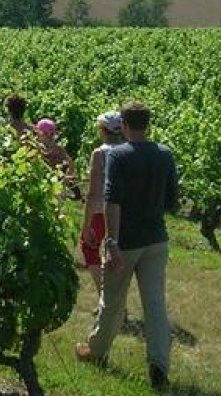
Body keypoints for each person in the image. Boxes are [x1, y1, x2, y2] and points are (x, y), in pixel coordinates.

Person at [75, 102, 177, 390]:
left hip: (127, 240)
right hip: (156, 238)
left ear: (125, 125)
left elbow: (112, 201)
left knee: (112, 301)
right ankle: (158, 365)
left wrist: (112, 241)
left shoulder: (118, 156)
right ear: (148, 124)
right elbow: (171, 200)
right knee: (155, 304)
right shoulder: (165, 154)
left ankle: (96, 352)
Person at [79, 111, 126, 294]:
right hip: (123, 210)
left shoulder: (100, 153)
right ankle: (116, 300)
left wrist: (86, 224)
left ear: (102, 130)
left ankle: (104, 294)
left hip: (101, 210)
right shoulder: (127, 151)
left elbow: (93, 193)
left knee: (89, 247)